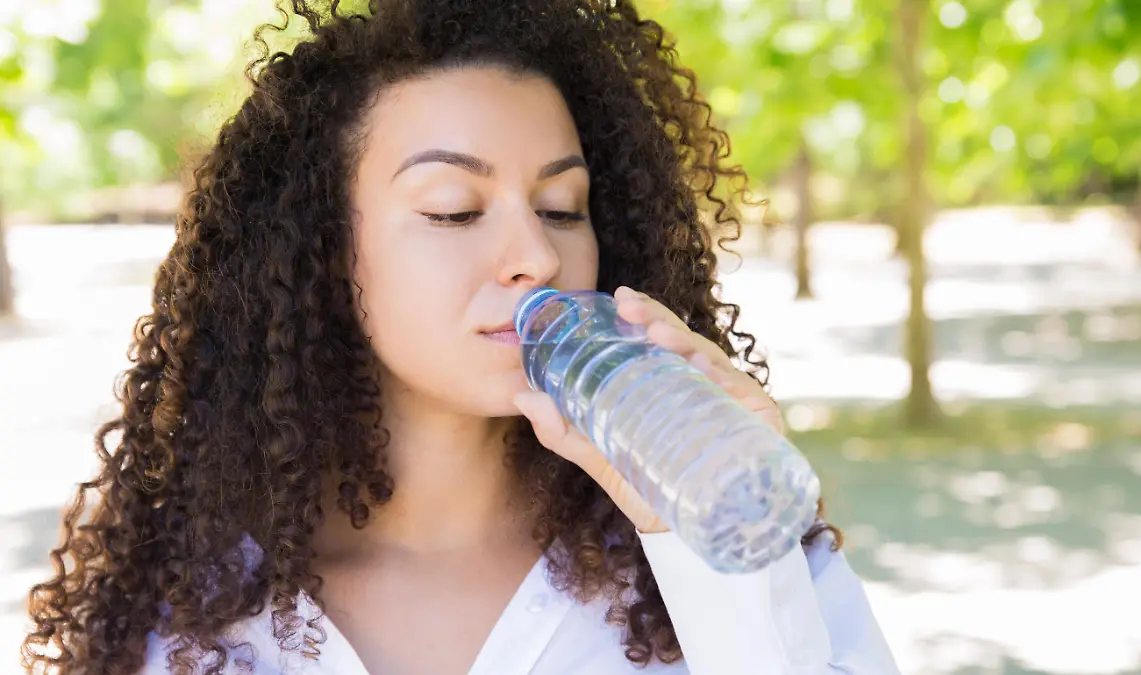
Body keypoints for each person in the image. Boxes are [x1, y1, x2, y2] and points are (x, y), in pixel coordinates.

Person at [22, 1, 900, 673]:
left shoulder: (728, 557)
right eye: (454, 209)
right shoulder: (187, 605)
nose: (534, 253)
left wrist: (711, 539)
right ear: (322, 250)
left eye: (563, 208)